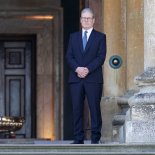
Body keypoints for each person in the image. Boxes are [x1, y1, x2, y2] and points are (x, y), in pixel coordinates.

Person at [66, 8, 107, 144]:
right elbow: (69, 56)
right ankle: (78, 138)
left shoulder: (100, 37)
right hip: (76, 78)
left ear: (94, 20)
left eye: (89, 18)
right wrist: (77, 68)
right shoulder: (73, 37)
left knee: (94, 108)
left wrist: (87, 69)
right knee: (77, 109)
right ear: (80, 20)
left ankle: (95, 138)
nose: (86, 20)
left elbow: (100, 57)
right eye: (84, 18)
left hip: (93, 78)